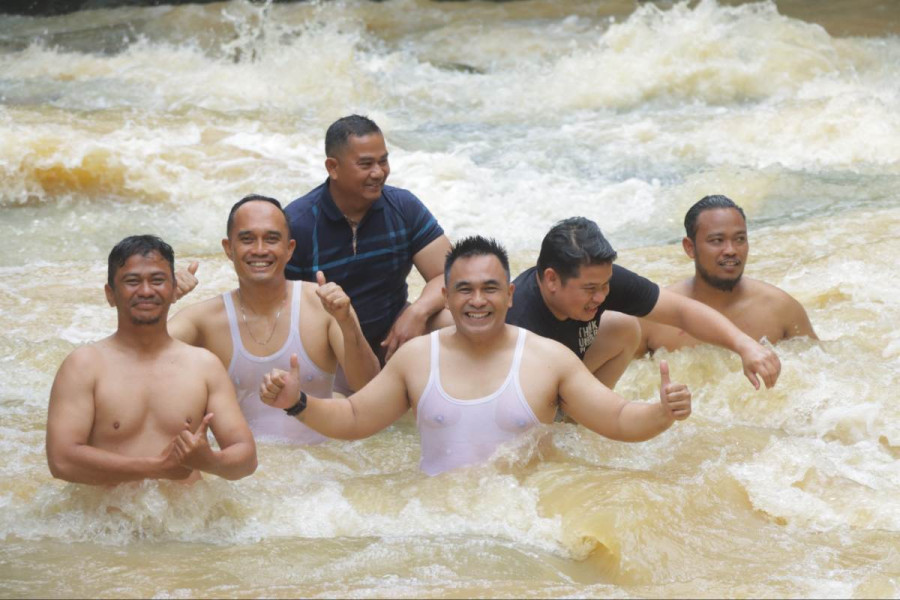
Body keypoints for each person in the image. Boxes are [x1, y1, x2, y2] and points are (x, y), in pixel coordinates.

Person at [257, 236, 692, 476]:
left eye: (490, 289)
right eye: (464, 289)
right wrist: (298, 403)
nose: (477, 300)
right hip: (439, 520)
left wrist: (661, 413)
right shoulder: (417, 358)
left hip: (528, 521)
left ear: (510, 295)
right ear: (445, 295)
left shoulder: (549, 358)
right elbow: (354, 418)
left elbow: (616, 418)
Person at [46, 235, 257, 485]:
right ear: (110, 294)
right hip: (109, 522)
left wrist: (209, 461)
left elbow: (246, 457)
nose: (146, 291)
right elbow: (61, 460)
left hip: (188, 521)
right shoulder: (84, 366)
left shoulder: (204, 366)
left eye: (157, 280)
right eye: (132, 281)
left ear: (173, 289)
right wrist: (156, 467)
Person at [168, 195, 380, 444]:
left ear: (289, 249)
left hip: (324, 470)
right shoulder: (202, 320)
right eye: (247, 239)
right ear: (228, 248)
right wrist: (162, 300)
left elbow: (370, 388)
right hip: (244, 473)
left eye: (271, 239)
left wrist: (348, 323)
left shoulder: (323, 305)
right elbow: (130, 360)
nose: (259, 250)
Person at [505, 217, 781, 390]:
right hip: (525, 388)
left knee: (623, 326)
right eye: (590, 289)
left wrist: (744, 345)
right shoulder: (517, 320)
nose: (601, 297)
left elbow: (682, 311)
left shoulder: (599, 280)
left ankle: (578, 421)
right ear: (552, 280)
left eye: (605, 286)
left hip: (561, 375)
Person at [283, 114, 452, 368]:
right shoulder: (299, 223)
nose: (378, 173)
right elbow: (276, 306)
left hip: (393, 334)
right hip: (329, 348)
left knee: (457, 322)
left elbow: (450, 274)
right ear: (333, 167)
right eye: (365, 164)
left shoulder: (403, 207)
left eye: (383, 161)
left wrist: (418, 311)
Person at [637, 195, 817, 355]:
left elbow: (818, 377)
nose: (731, 250)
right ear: (690, 248)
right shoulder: (653, 318)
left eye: (739, 239)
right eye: (717, 241)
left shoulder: (781, 309)